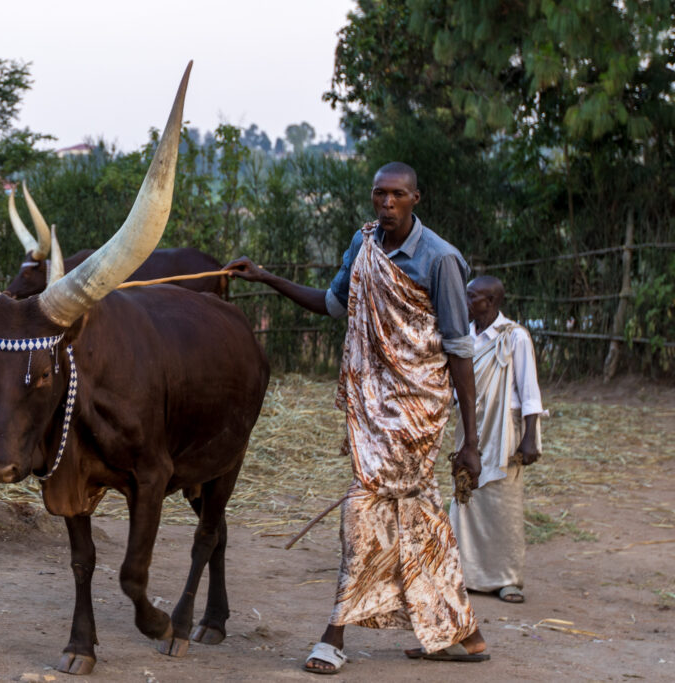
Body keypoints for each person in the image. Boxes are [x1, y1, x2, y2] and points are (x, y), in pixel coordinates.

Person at [226, 161, 489, 674]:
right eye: (379, 195)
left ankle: (334, 635)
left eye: (397, 195)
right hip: (371, 405)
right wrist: (265, 277)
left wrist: (470, 440)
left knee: (361, 508)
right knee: (419, 516)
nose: (386, 204)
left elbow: (459, 350)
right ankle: (464, 633)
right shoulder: (363, 245)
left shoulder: (441, 260)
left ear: (417, 198)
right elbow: (332, 304)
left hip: (417, 409)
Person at [449, 275, 544, 604]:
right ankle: (467, 573)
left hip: (504, 429)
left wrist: (530, 438)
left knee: (503, 503)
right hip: (470, 427)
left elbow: (529, 390)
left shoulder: (514, 337)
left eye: (472, 297)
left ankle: (507, 580)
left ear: (490, 302)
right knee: (467, 497)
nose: (466, 302)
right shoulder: (465, 338)